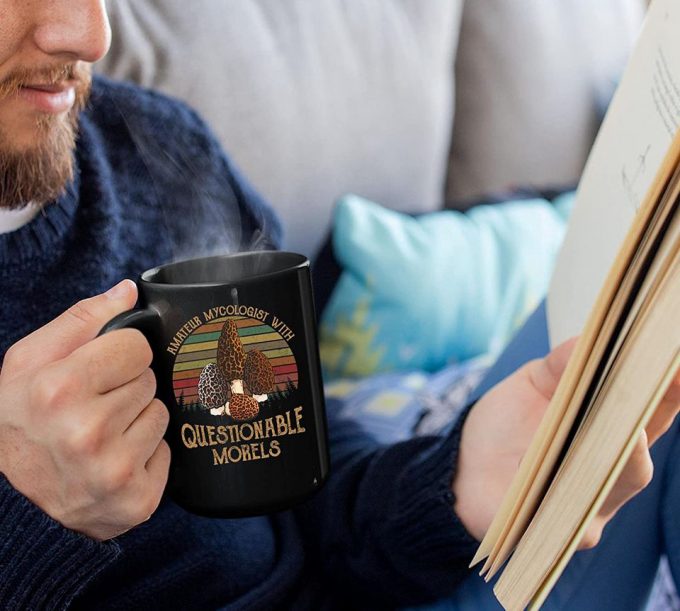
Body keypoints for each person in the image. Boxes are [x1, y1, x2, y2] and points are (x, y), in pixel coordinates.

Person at [0, 2, 677, 609]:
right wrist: (28, 515)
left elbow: (316, 495)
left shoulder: (161, 151)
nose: (90, 34)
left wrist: (453, 483)